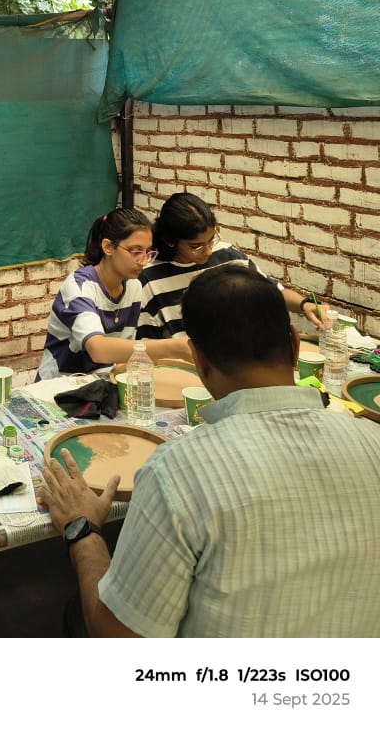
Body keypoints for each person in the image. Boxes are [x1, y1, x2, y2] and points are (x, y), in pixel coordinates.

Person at [41, 264, 380, 637]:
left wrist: (82, 531)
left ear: (198, 361)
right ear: (296, 346)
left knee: (79, 612)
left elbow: (119, 637)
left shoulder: (178, 471)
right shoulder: (372, 441)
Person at [137, 191, 323, 340]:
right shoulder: (150, 278)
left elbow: (272, 293)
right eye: (196, 246)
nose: (208, 251)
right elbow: (147, 348)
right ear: (171, 241)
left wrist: (305, 305)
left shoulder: (227, 256)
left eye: (211, 240)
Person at [37, 208, 192, 380]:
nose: (144, 261)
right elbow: (98, 349)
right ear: (108, 247)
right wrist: (174, 347)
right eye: (135, 251)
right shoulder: (79, 287)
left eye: (148, 252)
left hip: (101, 382)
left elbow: (124, 351)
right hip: (59, 384)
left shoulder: (133, 286)